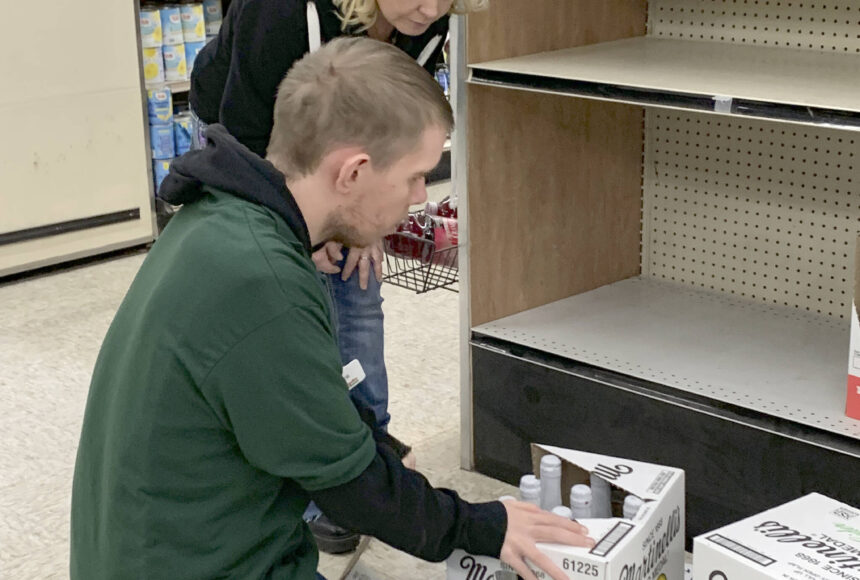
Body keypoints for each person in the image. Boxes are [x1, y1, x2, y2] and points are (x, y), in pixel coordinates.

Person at [71, 38, 594, 580]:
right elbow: (355, 493)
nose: (420, 197)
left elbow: (305, 402)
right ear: (354, 172)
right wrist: (485, 524)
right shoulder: (262, 283)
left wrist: (380, 447)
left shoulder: (221, 221)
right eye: (415, 175)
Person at [187, 0, 484, 552]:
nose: (431, 8)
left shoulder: (427, 14)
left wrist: (367, 222)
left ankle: (367, 460)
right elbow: (247, 130)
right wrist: (305, 233)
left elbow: (388, 130)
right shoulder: (277, 12)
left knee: (359, 288)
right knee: (300, 299)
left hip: (347, 153)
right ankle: (316, 478)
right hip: (251, 135)